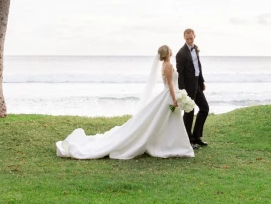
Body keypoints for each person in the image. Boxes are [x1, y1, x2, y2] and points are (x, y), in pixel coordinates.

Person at [56, 45, 194, 160]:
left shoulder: (164, 64)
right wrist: (175, 99)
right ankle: (176, 147)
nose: (171, 50)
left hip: (169, 95)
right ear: (168, 53)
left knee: (168, 121)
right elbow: (170, 83)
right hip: (169, 96)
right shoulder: (168, 65)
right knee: (170, 121)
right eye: (170, 49)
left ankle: (173, 145)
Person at [176, 28, 209, 147]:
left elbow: (198, 66)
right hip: (188, 86)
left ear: (194, 36)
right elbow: (180, 73)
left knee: (204, 108)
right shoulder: (181, 53)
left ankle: (196, 136)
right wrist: (182, 90)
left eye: (191, 38)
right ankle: (188, 140)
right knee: (189, 112)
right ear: (184, 38)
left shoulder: (195, 49)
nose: (190, 41)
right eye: (187, 39)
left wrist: (201, 81)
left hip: (197, 84)